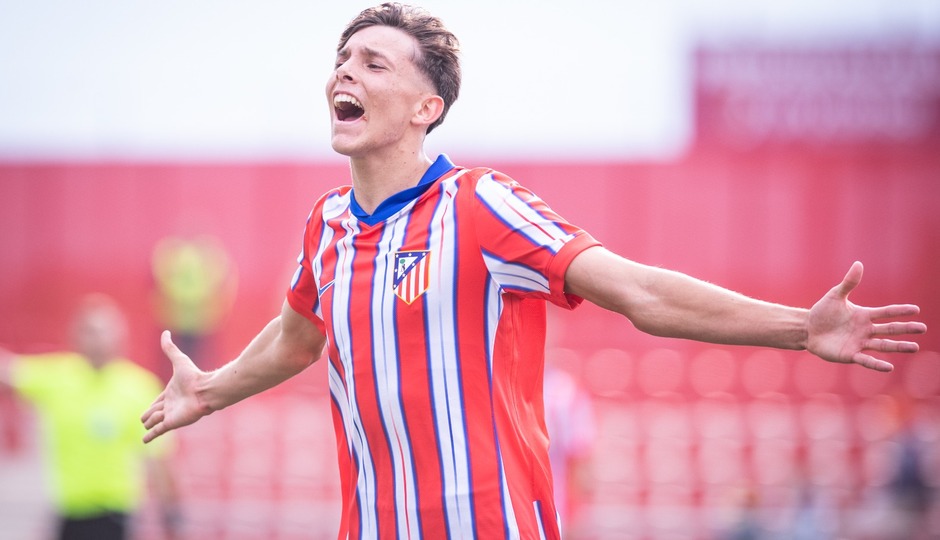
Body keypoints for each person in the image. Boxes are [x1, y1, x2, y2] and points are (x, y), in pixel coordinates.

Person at [140, 4, 927, 539]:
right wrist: (209, 390)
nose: (344, 73)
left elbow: (639, 291)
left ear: (426, 108)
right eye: (342, 59)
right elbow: (295, 340)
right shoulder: (327, 227)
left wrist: (799, 326)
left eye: (373, 63)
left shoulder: (482, 206)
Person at [1, 294, 180, 540]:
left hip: (113, 512)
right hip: (69, 511)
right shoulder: (59, 377)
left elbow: (158, 458)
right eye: (89, 332)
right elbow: (9, 372)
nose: (96, 340)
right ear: (75, 336)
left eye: (103, 332)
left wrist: (170, 513)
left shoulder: (139, 387)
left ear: (120, 337)